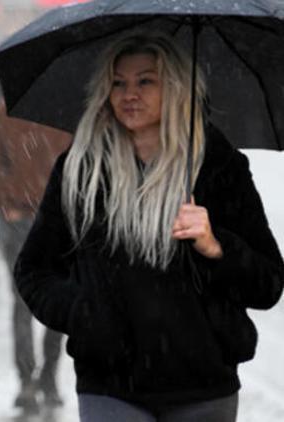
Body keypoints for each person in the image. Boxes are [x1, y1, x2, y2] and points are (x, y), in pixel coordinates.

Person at [14, 32, 284, 422]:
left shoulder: (218, 167)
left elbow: (269, 284)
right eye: (118, 83)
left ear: (175, 87)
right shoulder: (82, 169)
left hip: (203, 387)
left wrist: (216, 246)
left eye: (146, 80)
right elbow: (33, 270)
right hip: (110, 386)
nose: (129, 94)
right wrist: (84, 313)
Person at [0, 97, 70, 410]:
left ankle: (47, 374)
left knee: (56, 301)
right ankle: (28, 379)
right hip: (21, 220)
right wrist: (8, 202)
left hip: (59, 222)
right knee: (24, 301)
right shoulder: (6, 113)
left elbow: (81, 168)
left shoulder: (66, 114)